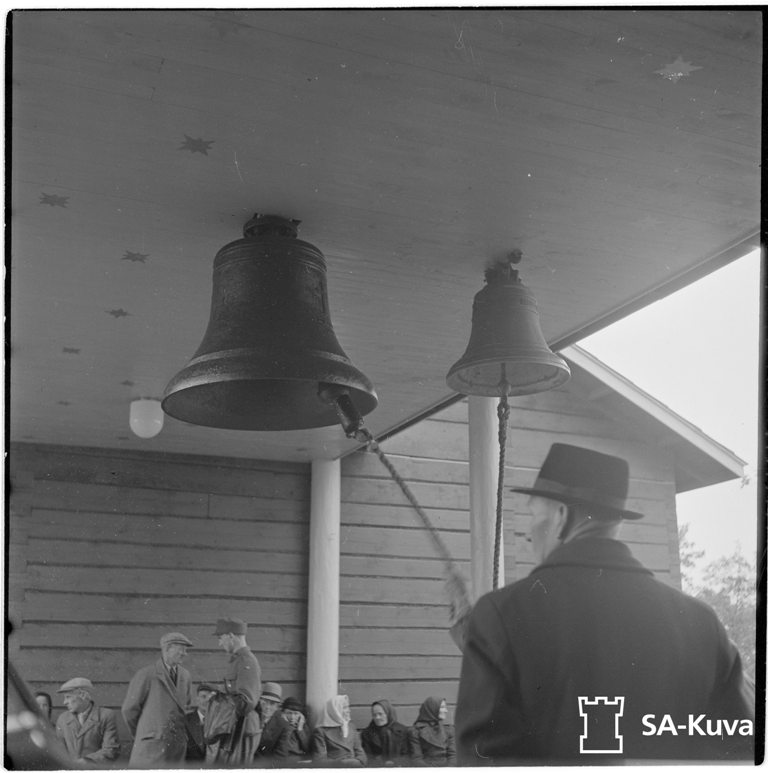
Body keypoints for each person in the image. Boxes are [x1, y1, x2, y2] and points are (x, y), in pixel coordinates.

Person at [455, 443, 756, 764]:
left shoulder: (501, 616)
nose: (528, 533)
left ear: (561, 517)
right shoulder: (700, 622)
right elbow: (744, 748)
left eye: (532, 514)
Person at [122, 631, 195, 767]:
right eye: (181, 649)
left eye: (186, 650)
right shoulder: (146, 674)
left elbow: (188, 707)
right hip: (151, 748)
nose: (185, 654)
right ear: (167, 648)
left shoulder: (185, 676)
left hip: (177, 748)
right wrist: (145, 733)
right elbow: (129, 710)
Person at [206, 617, 262, 766]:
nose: (220, 643)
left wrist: (220, 699)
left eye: (221, 638)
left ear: (231, 636)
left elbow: (246, 702)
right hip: (235, 727)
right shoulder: (237, 660)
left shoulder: (246, 661)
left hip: (243, 729)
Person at [54, 677, 120, 765]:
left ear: (83, 695)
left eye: (68, 697)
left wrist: (86, 761)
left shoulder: (106, 716)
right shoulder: (63, 719)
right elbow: (59, 750)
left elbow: (111, 749)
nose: (64, 702)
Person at [311, 694, 367, 766]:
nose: (349, 711)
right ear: (335, 710)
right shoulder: (321, 731)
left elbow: (360, 752)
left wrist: (359, 761)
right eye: (344, 708)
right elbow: (319, 760)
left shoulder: (351, 726)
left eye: (348, 707)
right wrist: (342, 763)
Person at [407, 697, 455, 766]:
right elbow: (417, 759)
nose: (446, 710)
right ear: (433, 709)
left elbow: (453, 756)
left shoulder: (449, 730)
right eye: (442, 707)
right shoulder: (415, 731)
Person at [360, 699, 409, 766]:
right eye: (374, 715)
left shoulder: (402, 730)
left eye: (380, 714)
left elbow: (406, 755)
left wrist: (395, 763)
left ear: (388, 713)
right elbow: (368, 757)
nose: (377, 717)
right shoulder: (367, 733)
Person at [185, 682, 217, 763]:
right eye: (203, 697)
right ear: (197, 699)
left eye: (211, 698)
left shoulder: (221, 722)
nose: (207, 701)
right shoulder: (185, 721)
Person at [279, 697, 312, 764]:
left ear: (301, 715)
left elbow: (308, 749)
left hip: (300, 761)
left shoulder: (304, 727)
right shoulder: (278, 726)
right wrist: (287, 726)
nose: (292, 717)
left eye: (296, 713)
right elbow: (282, 749)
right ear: (283, 713)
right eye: (289, 713)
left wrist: (300, 729)